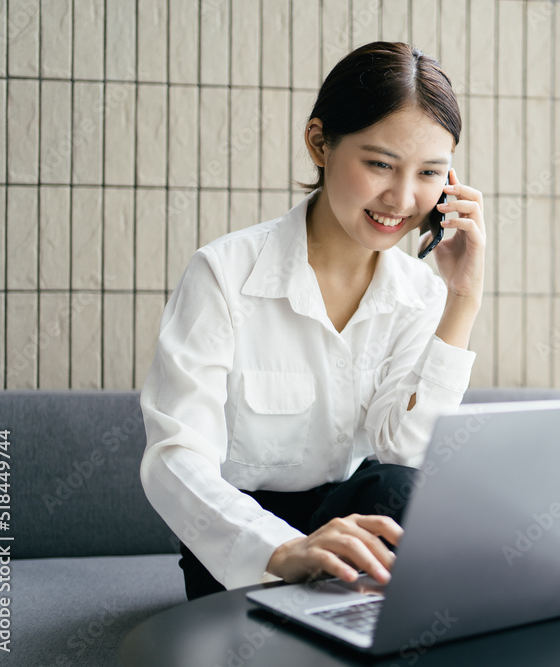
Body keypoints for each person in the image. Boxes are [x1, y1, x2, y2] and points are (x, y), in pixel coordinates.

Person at [139, 41, 485, 600]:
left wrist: (462, 299)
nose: (401, 198)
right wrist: (281, 549)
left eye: (429, 173)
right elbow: (174, 460)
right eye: (379, 164)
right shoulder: (224, 274)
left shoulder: (421, 293)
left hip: (355, 532)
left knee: (403, 489)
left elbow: (405, 456)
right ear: (319, 143)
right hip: (243, 550)